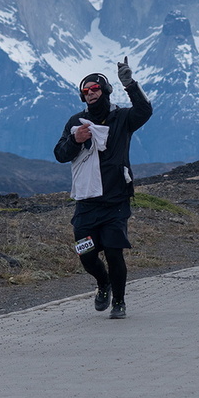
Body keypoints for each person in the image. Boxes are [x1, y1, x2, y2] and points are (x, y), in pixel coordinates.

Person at [53, 57, 153, 319]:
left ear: (106, 91)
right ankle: (103, 282)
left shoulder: (122, 118)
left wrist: (130, 84)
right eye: (85, 91)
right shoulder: (76, 122)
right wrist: (75, 140)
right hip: (86, 202)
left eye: (95, 88)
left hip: (115, 200)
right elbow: (60, 154)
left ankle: (119, 302)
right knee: (85, 254)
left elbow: (145, 111)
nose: (90, 93)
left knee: (113, 252)